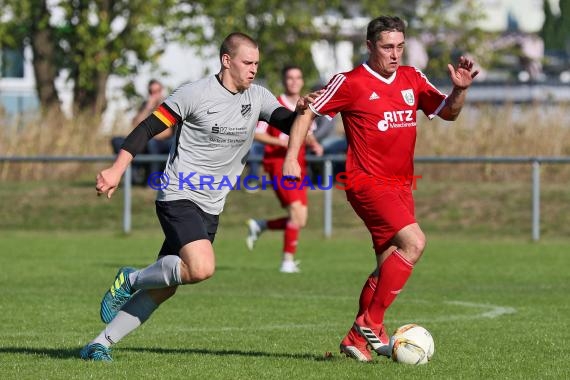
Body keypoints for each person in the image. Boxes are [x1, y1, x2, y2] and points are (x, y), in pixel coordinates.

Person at [80, 32, 314, 361]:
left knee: (165, 286)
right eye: (247, 63)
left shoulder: (258, 97)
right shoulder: (194, 94)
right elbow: (147, 128)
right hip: (179, 193)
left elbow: (292, 124)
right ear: (226, 60)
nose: (253, 70)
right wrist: (117, 169)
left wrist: (304, 110)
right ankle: (130, 278)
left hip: (211, 205)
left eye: (257, 64)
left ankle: (99, 344)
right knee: (201, 267)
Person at [283, 15, 479, 362]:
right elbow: (307, 111)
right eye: (387, 47)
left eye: (400, 46)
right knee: (415, 242)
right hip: (366, 182)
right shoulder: (350, 82)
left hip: (402, 186)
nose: (395, 53)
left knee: (388, 263)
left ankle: (355, 340)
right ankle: (370, 323)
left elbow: (447, 113)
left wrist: (460, 90)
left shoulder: (412, 78)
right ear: (370, 46)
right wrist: (292, 158)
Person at [246, 65, 323, 273]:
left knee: (301, 218)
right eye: (289, 77)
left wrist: (314, 143)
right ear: (284, 80)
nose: (294, 81)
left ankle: (261, 226)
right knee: (297, 213)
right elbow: (257, 133)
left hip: (299, 163)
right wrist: (282, 143)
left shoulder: (307, 105)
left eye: (298, 77)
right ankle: (287, 262)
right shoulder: (274, 105)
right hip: (279, 163)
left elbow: (306, 132)